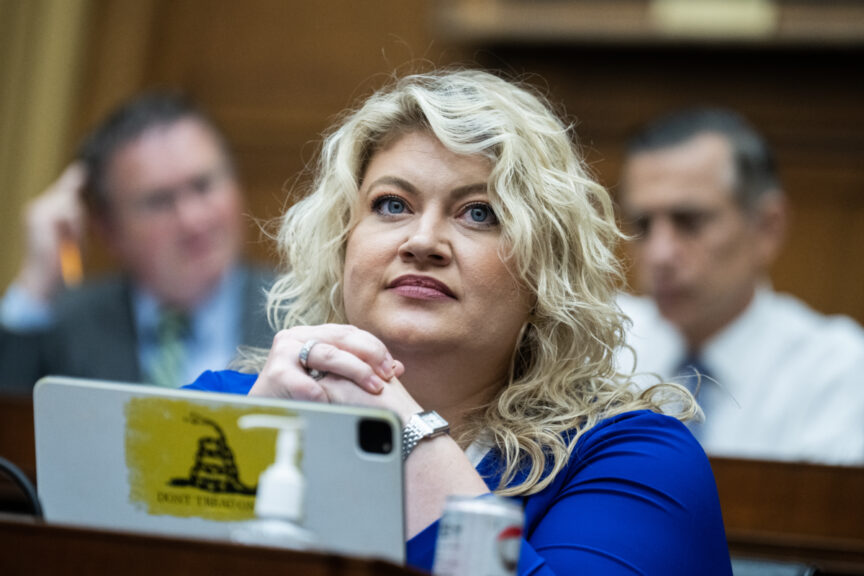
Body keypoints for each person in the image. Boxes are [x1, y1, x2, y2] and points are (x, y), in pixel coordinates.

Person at [186, 70, 731, 574]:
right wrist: (243, 453)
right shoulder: (228, 410)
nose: (422, 242)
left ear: (546, 269)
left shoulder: (636, 461)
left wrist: (405, 429)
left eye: (479, 213)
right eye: (392, 205)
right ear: (342, 244)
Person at [617, 108, 864, 465]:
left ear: (767, 227)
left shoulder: (838, 372)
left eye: (689, 221)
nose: (659, 254)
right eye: (642, 224)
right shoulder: (597, 346)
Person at [0, 93, 274, 392]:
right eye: (159, 201)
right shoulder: (70, 326)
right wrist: (34, 289)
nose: (192, 220)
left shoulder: (302, 309)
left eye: (203, 185)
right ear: (108, 229)